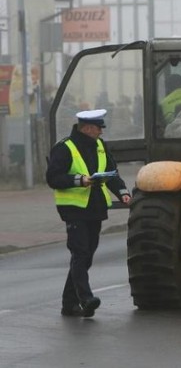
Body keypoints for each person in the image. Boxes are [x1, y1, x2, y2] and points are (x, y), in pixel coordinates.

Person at [46, 109, 132, 317]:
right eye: (97, 128)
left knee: (86, 256)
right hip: (74, 209)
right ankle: (86, 298)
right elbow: (53, 178)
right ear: (86, 128)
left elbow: (111, 174)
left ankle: (69, 304)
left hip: (95, 209)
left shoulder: (100, 147)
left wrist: (123, 193)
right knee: (80, 252)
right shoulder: (64, 148)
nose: (100, 132)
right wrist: (80, 180)